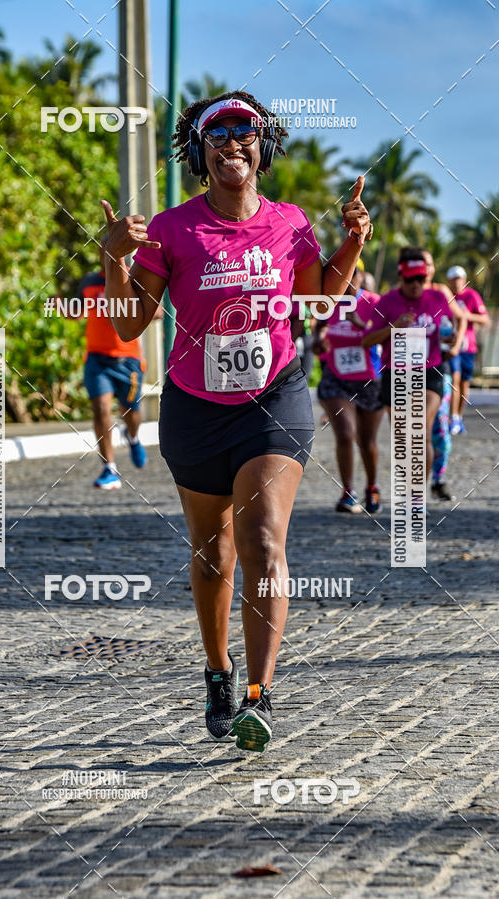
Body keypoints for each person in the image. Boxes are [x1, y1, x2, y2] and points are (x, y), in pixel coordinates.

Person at [100, 91, 371, 752]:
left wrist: (352, 244)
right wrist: (114, 257)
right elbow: (129, 322)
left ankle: (259, 692)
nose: (232, 144)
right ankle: (219, 672)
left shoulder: (290, 222)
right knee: (212, 551)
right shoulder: (172, 229)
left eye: (244, 132)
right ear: (200, 151)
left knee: (263, 536)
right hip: (195, 408)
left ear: (262, 145)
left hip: (274, 399)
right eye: (216, 134)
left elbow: (318, 298)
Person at [362, 250, 467, 487]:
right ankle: (409, 487)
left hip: (430, 371)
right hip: (395, 374)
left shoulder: (438, 298)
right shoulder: (387, 301)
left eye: (420, 279)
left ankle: (417, 497)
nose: (416, 285)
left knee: (421, 429)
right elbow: (366, 341)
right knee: (403, 440)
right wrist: (394, 327)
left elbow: (456, 322)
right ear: (401, 277)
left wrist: (454, 342)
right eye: (410, 279)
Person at [313, 260, 384, 513]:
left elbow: (386, 335)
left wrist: (361, 326)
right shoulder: (328, 304)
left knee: (367, 442)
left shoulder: (374, 302)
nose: (345, 278)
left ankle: (372, 487)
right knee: (345, 433)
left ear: (361, 275)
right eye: (338, 274)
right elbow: (319, 331)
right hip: (336, 378)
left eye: (350, 273)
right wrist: (319, 342)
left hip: (370, 380)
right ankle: (348, 491)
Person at [79, 249, 151, 489]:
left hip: (128, 360)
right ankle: (109, 468)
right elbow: (77, 310)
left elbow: (156, 310)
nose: (108, 256)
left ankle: (132, 436)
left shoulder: (134, 278)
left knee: (130, 412)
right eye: (104, 252)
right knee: (100, 409)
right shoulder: (90, 282)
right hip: (97, 359)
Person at [420, 249, 455, 501]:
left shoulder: (440, 292)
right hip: (406, 372)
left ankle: (438, 479)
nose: (425, 268)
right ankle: (414, 493)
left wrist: (455, 343)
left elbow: (459, 320)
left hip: (437, 370)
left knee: (438, 430)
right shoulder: (399, 296)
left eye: (429, 263)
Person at [446, 265, 490, 436]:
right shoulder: (446, 297)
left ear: (464, 280)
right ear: (449, 281)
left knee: (464, 384)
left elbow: (484, 319)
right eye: (453, 279)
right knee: (454, 378)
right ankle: (452, 417)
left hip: (468, 347)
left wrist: (465, 315)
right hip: (451, 345)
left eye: (459, 279)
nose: (457, 282)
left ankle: (459, 417)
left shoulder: (472, 295)